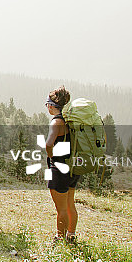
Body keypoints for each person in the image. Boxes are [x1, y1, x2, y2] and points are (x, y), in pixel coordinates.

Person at [45, 85, 80, 243]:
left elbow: (48, 144)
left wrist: (51, 157)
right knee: (70, 202)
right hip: (73, 167)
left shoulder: (56, 122)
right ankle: (71, 235)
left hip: (59, 168)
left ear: (51, 106)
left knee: (61, 208)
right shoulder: (71, 120)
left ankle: (59, 238)